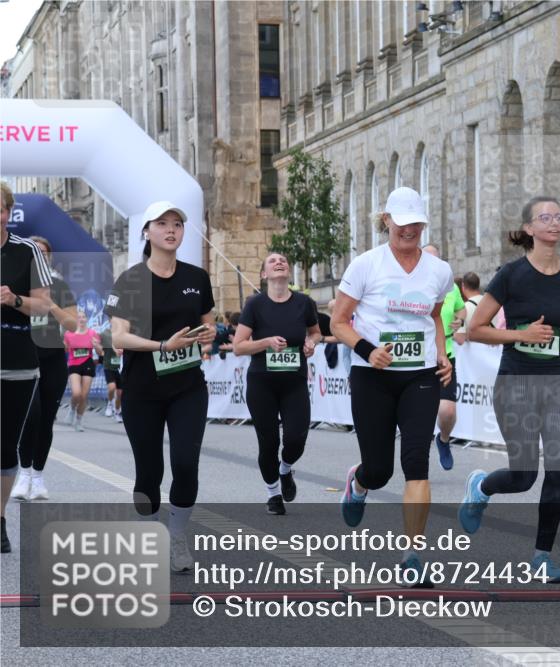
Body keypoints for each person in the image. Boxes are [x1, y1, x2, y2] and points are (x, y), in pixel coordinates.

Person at [459, 196, 560, 584]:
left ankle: (542, 556)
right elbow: (475, 329)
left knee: (559, 470)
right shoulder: (511, 275)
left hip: (558, 382)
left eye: (558, 215)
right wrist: (521, 334)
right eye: (544, 217)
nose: (553, 222)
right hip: (515, 381)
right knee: (524, 475)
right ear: (530, 229)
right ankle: (481, 487)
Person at [331, 186, 452, 585]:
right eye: (402, 224)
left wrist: (442, 352)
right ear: (386, 222)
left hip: (420, 376)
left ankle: (413, 556)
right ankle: (359, 481)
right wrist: (367, 350)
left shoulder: (438, 270)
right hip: (373, 376)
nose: (409, 231)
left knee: (416, 461)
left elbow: (434, 317)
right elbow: (339, 322)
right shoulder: (366, 265)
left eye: (416, 224)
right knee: (381, 470)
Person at [105, 201, 217, 573]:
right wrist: (161, 346)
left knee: (186, 463)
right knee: (148, 471)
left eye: (177, 224)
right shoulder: (130, 280)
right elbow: (117, 335)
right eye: (163, 223)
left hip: (187, 386)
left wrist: (208, 335)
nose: (172, 230)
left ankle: (177, 535)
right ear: (147, 231)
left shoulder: (197, 278)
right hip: (141, 389)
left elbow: (208, 325)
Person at [233, 252, 321, 515]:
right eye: (272, 261)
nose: (279, 263)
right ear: (264, 275)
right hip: (262, 383)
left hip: (294, 381)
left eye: (283, 260)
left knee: (296, 437)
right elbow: (238, 347)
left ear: (289, 271)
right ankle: (272, 494)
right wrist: (266, 342)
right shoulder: (255, 304)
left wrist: (311, 343)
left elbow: (316, 331)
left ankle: (285, 469)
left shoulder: (304, 303)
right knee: (268, 441)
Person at [1, 182, 53, 553]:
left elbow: (44, 306)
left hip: (15, 361)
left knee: (5, 448)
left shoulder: (27, 250)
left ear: (8, 212)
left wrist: (14, 298)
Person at [11, 236, 76, 502]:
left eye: (44, 253)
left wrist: (51, 305)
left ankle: (38, 476)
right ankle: (23, 473)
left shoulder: (59, 286)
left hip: (52, 357)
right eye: (35, 252)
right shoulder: (18, 283)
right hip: (25, 355)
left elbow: (72, 325)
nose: (40, 256)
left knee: (46, 418)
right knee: (31, 415)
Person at [422, 245, 465, 471]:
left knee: (447, 411)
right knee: (421, 414)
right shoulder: (411, 284)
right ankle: (418, 464)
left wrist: (460, 321)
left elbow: (462, 310)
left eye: (435, 260)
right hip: (419, 357)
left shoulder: (450, 288)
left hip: (445, 354)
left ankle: (444, 440)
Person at [63, 310, 102, 432]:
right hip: (74, 364)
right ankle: (72, 409)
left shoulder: (93, 333)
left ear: (86, 319)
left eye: (83, 317)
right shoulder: (69, 334)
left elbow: (101, 352)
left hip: (88, 364)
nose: (81, 319)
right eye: (78, 317)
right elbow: (65, 350)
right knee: (76, 393)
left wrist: (96, 345)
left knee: (84, 395)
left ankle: (79, 420)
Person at [100, 328, 124, 421]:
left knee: (119, 393)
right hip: (109, 366)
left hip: (120, 367)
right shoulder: (105, 334)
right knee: (111, 387)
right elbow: (100, 352)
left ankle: (117, 411)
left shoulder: (123, 334)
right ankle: (110, 403)